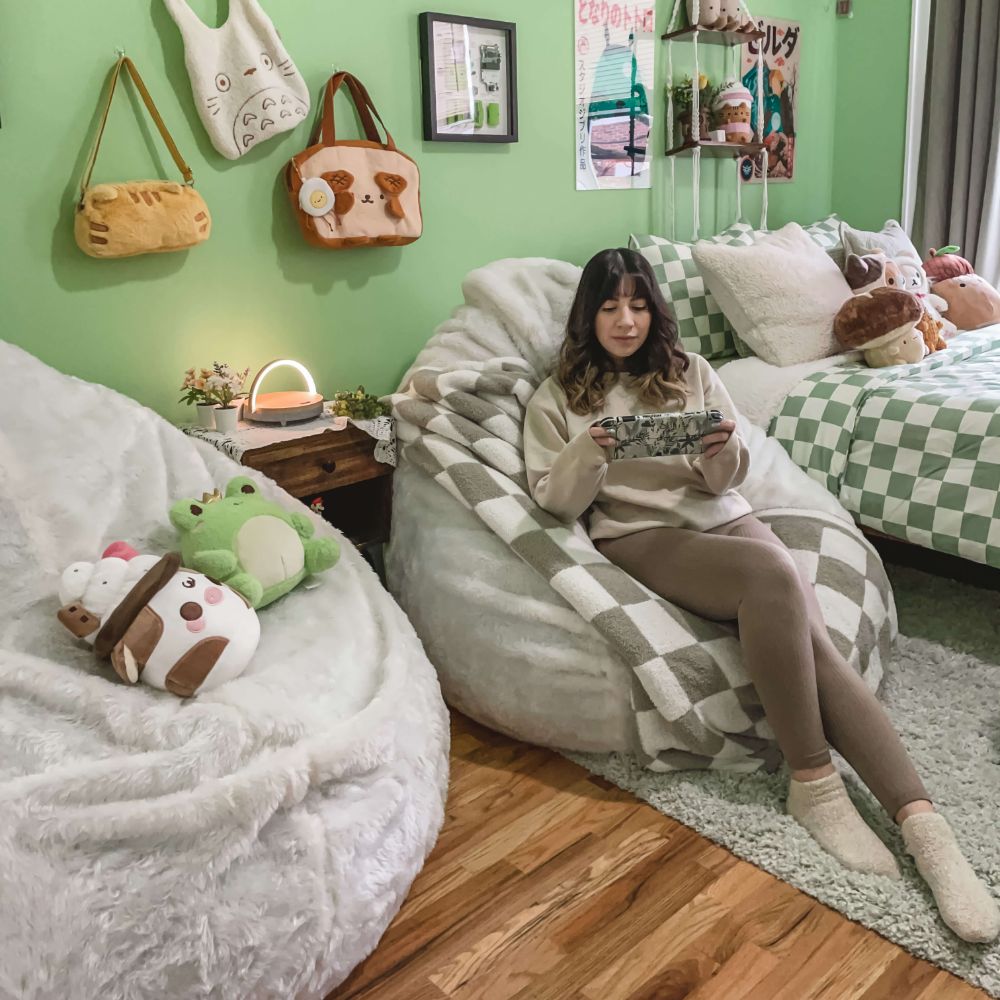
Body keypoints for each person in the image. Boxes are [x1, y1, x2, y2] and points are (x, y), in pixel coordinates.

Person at [523, 247, 999, 944]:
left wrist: (721, 446)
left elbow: (724, 484)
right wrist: (591, 447)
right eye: (608, 306)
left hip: (724, 517)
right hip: (640, 534)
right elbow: (559, 505)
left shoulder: (689, 373)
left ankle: (926, 831)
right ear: (587, 314)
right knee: (776, 579)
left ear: (655, 310)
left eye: (637, 304)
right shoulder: (558, 394)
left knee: (815, 642)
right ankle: (813, 781)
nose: (624, 320)